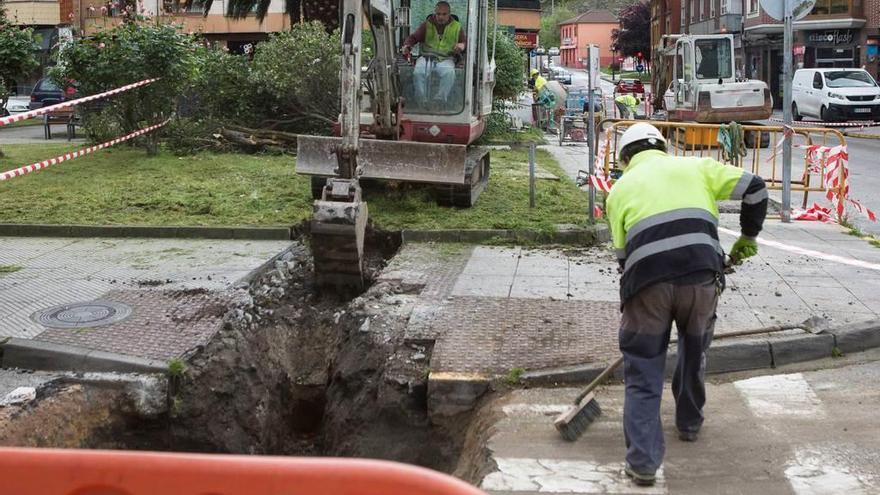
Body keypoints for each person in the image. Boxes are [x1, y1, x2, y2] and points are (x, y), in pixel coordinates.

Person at [605, 123, 767, 487]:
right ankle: (689, 423)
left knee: (644, 372)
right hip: (700, 279)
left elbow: (623, 258)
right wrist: (747, 237)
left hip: (648, 285)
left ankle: (643, 464)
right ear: (663, 147)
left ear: (626, 158)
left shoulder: (619, 190)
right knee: (694, 352)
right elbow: (755, 187)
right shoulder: (697, 167)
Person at [401, 1, 466, 106]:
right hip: (426, 57)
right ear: (435, 13)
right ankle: (421, 100)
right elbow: (413, 37)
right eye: (438, 14)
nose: (441, 17)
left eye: (444, 14)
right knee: (418, 72)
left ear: (449, 14)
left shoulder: (457, 27)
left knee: (449, 73)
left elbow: (464, 42)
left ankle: (439, 100)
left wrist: (461, 46)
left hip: (446, 59)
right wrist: (407, 46)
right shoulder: (427, 25)